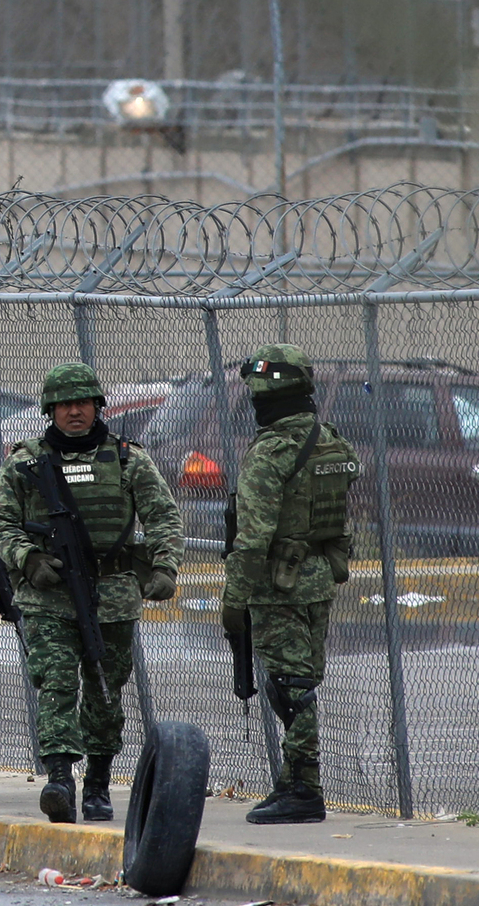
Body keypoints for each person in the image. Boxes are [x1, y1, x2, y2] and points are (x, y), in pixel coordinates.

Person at [0, 362, 184, 824]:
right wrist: (27, 558)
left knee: (105, 690)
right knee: (55, 684)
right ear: (49, 410)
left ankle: (98, 782)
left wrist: (164, 567)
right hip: (48, 597)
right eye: (64, 405)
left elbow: (163, 516)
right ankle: (60, 779)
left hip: (112, 595)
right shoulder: (25, 462)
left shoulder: (128, 459)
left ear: (97, 406)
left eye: (83, 403)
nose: (74, 412)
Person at [223, 343, 360, 825]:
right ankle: (293, 779)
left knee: (290, 686)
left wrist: (234, 599)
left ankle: (304, 788)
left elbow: (252, 537)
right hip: (319, 576)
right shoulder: (332, 441)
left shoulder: (270, 452)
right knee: (301, 681)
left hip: (277, 585)